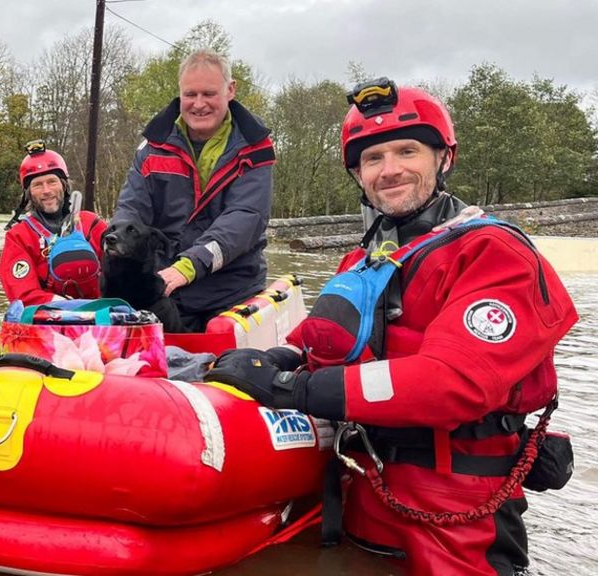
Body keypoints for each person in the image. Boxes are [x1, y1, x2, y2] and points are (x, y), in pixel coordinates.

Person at [205, 78, 578, 576]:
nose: (390, 170)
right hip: (361, 493)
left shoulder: (493, 254)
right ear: (358, 174)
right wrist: (279, 360)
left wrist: (292, 388)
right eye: (373, 158)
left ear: (443, 158)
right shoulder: (363, 260)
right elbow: (321, 344)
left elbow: (452, 383)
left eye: (407, 151)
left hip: (456, 515)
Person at [114, 48, 276, 332]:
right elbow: (132, 208)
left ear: (230, 90)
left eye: (209, 94)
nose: (198, 104)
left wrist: (188, 266)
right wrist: (115, 244)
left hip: (231, 290)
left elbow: (245, 218)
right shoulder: (152, 146)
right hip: (165, 287)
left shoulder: (256, 148)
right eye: (190, 95)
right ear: (179, 94)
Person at [0, 141, 106, 305]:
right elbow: (24, 295)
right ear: (29, 194)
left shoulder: (92, 224)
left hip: (101, 316)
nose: (46, 191)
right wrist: (71, 307)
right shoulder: (18, 237)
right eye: (37, 185)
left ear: (63, 185)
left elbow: (124, 272)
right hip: (48, 320)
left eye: (52, 182)